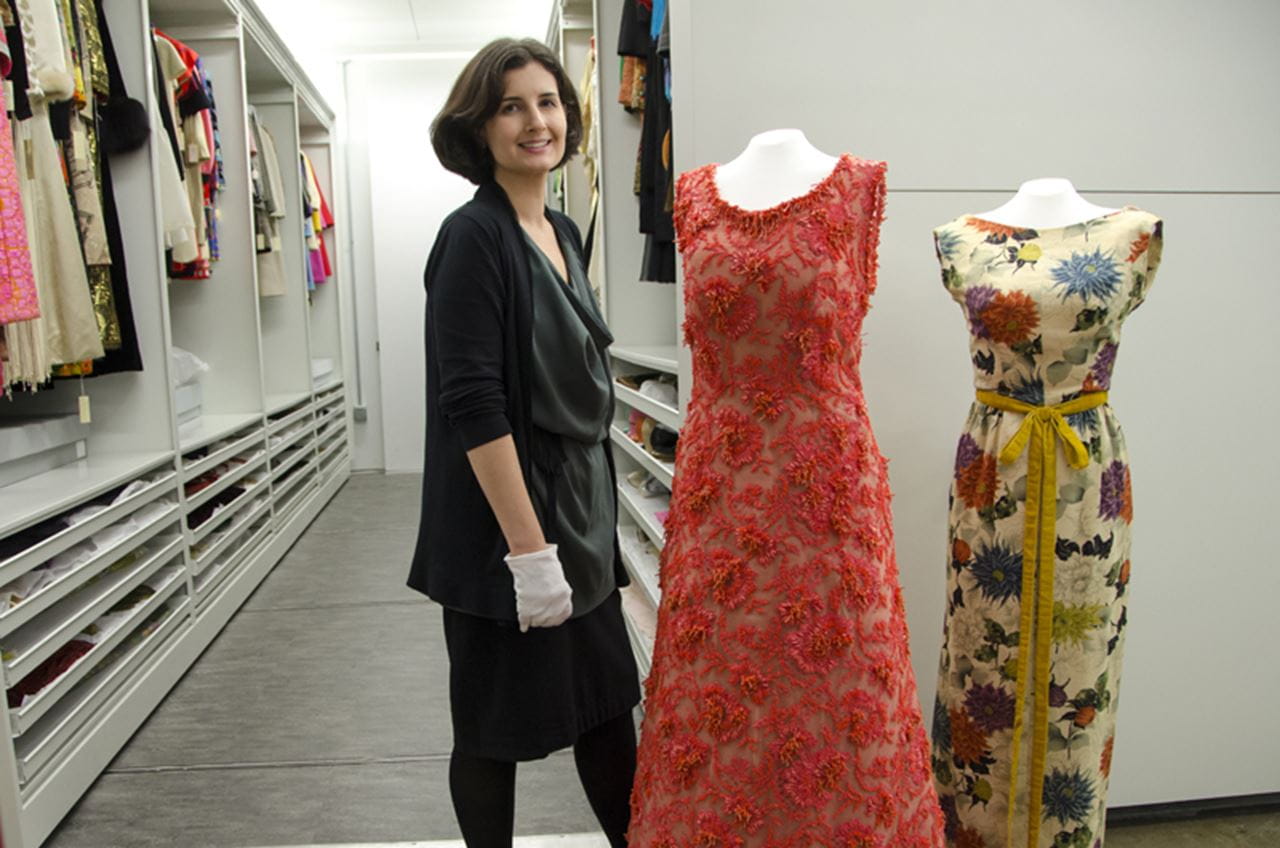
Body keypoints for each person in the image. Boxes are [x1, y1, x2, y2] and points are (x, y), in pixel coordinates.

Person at [406, 38, 641, 848]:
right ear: (480, 126)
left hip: (579, 520)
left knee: (607, 708)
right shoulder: (473, 236)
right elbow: (474, 405)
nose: (536, 121)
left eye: (548, 102)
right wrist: (528, 553)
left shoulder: (561, 228)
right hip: (507, 530)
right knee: (492, 729)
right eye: (511, 107)